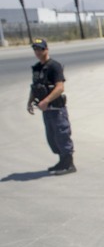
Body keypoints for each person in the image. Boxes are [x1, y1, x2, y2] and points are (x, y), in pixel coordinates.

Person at [27, 38, 76, 175]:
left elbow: (60, 88)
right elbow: (35, 87)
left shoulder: (54, 66)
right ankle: (62, 162)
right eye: (35, 49)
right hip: (46, 110)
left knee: (62, 134)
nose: (37, 52)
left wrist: (46, 101)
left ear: (46, 49)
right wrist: (30, 101)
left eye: (40, 49)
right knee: (52, 138)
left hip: (56, 109)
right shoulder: (37, 68)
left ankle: (69, 164)